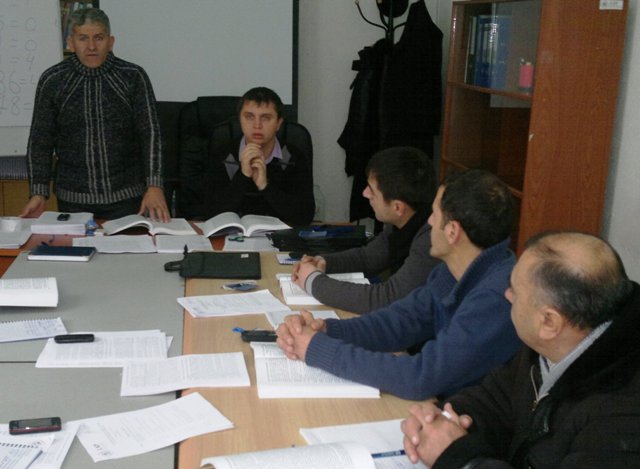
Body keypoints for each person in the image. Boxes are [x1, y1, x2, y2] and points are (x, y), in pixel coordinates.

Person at [276, 169, 522, 400]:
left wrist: (317, 349)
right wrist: (328, 331)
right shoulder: (454, 270)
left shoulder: (496, 298)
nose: (429, 222)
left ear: (452, 232)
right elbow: (400, 322)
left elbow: (421, 377)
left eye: (434, 214)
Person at [401, 231, 640, 468]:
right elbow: (493, 401)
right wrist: (442, 420)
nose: (507, 295)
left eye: (514, 290)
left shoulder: (622, 416)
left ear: (549, 322)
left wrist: (461, 459)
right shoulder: (550, 344)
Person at [21, 8, 169, 221]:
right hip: (72, 201)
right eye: (83, 38)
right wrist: (38, 191)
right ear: (71, 43)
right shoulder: (53, 80)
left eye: (98, 38)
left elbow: (151, 134)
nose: (91, 46)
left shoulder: (133, 76)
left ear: (111, 41)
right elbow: (40, 139)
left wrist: (154, 185)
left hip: (128, 199)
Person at [291, 146, 439, 314]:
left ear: (398, 207)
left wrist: (313, 281)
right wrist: (323, 262)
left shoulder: (432, 240)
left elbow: (387, 298)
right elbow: (368, 258)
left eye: (372, 190)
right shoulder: (406, 218)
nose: (365, 193)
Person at [201, 87, 314, 225]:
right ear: (240, 120)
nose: (257, 125)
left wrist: (265, 185)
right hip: (234, 236)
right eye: (249, 117)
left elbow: (305, 216)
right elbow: (210, 214)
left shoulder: (294, 157)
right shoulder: (223, 155)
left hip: (278, 236)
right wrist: (243, 176)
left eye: (266, 118)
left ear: (278, 123)